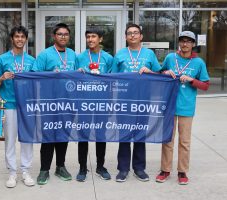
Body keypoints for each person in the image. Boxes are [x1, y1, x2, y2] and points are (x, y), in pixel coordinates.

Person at [155, 31, 210, 185]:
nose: (185, 44)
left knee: (184, 141)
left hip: (187, 107)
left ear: (193, 44)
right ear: (179, 42)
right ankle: (165, 170)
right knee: (168, 139)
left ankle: (182, 171)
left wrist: (192, 80)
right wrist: (166, 72)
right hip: (169, 105)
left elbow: (205, 85)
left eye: (188, 41)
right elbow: (159, 73)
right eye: (182, 41)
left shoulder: (199, 63)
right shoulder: (170, 58)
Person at [111, 24, 161, 182]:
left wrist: (150, 72)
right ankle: (123, 169)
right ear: (125, 37)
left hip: (143, 100)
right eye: (129, 33)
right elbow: (112, 77)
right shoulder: (120, 54)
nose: (132, 35)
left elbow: (159, 74)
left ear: (141, 36)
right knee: (124, 135)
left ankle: (139, 168)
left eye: (135, 33)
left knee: (140, 134)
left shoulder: (149, 54)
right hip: (124, 101)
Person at [32, 23, 76, 185]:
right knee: (48, 136)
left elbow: (78, 76)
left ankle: (60, 166)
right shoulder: (45, 54)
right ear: (54, 36)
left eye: (66, 34)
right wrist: (51, 74)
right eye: (60, 34)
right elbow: (35, 74)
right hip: (49, 102)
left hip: (68, 102)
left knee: (63, 135)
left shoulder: (73, 54)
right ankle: (44, 169)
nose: (63, 36)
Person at [0, 25, 35, 188]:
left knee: (27, 140)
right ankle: (11, 173)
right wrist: (2, 78)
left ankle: (25, 171)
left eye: (22, 37)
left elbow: (36, 82)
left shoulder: (31, 60)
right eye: (17, 36)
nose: (20, 39)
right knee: (10, 141)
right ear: (12, 39)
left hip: (26, 107)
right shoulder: (2, 59)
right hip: (8, 105)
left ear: (26, 39)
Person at [75, 28, 113, 182]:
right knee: (82, 135)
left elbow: (113, 80)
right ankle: (82, 167)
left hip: (102, 102)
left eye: (93, 36)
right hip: (84, 102)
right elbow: (73, 79)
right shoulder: (80, 57)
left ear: (100, 39)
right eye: (88, 37)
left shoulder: (108, 58)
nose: (90, 39)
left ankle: (100, 166)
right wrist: (78, 73)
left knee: (101, 135)